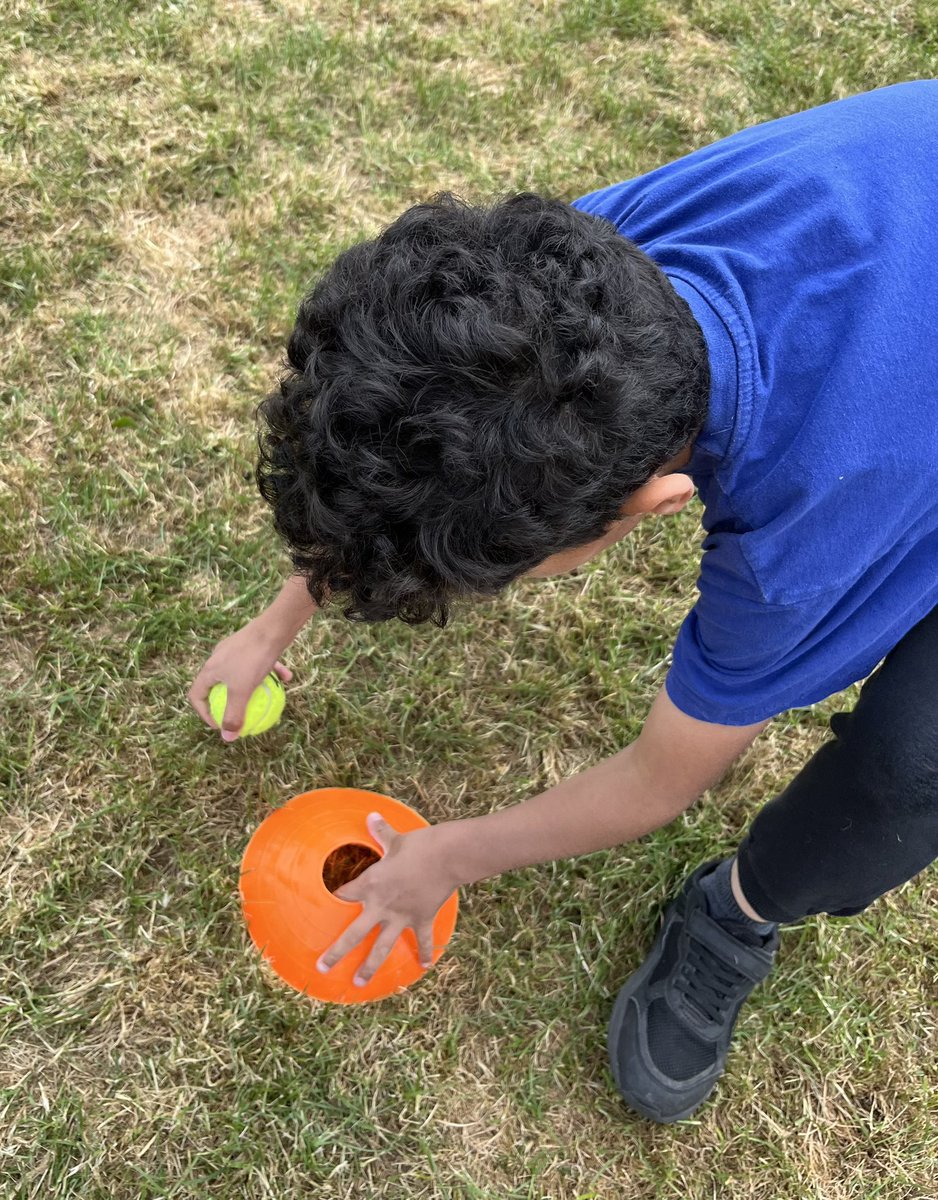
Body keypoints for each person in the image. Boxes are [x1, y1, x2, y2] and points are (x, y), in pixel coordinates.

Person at [189, 81, 938, 1123]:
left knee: (910, 768)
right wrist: (275, 621)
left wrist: (445, 856)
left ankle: (738, 910)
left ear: (649, 507)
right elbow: (407, 441)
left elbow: (655, 778)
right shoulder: (563, 273)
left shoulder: (801, 538)